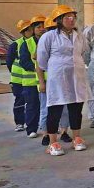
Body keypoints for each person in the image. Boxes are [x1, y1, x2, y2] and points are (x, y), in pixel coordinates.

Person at [37, 5, 89, 156]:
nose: (72, 20)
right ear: (59, 20)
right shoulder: (49, 36)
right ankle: (52, 143)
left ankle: (76, 139)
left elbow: (84, 53)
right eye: (68, 17)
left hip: (77, 77)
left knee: (76, 108)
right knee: (55, 109)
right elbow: (41, 59)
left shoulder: (79, 36)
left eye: (73, 17)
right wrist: (57, 68)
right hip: (58, 78)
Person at [37, 17, 72, 146]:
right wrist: (42, 82)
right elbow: (39, 65)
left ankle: (64, 131)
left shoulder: (63, 43)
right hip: (47, 82)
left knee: (65, 109)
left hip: (62, 81)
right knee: (46, 109)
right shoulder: (45, 42)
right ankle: (46, 134)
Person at [19, 14, 46, 139]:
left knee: (48, 106)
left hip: (47, 80)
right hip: (31, 82)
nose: (42, 29)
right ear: (33, 29)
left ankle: (48, 127)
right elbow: (24, 62)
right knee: (32, 105)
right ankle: (31, 129)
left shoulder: (49, 40)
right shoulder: (27, 44)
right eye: (38, 27)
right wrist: (39, 69)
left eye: (43, 26)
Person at [6, 19, 32, 132]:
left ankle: (33, 122)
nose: (31, 32)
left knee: (33, 102)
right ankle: (20, 123)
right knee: (20, 101)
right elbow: (9, 61)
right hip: (18, 79)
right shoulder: (16, 45)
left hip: (31, 79)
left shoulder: (36, 42)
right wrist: (13, 73)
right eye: (29, 30)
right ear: (23, 32)